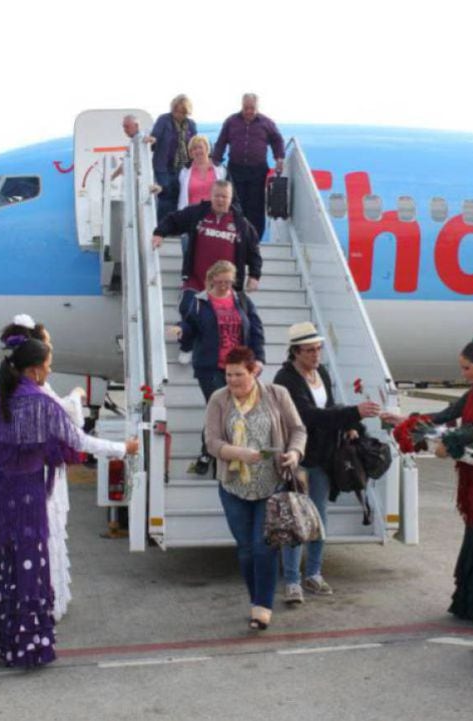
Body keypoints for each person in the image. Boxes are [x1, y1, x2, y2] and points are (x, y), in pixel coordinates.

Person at [0, 337, 139, 667]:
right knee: (28, 560)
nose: (50, 369)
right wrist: (123, 448)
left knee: (0, 556)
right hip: (27, 492)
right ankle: (25, 646)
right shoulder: (40, 403)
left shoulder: (4, 394)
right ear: (33, 370)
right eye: (47, 365)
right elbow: (78, 440)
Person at [384, 334, 473, 625]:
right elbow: (447, 414)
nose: (464, 373)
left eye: (467, 367)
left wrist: (453, 438)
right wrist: (407, 420)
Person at [272, 322, 381, 604]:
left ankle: (314, 573)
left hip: (322, 456)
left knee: (319, 516)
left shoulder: (322, 372)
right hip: (296, 457)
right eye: (309, 350)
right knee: (296, 519)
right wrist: (353, 412)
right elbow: (308, 416)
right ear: (295, 352)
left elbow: (330, 406)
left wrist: (350, 424)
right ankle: (293, 580)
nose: (316, 355)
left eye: (318, 348)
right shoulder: (285, 379)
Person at [204, 346, 306, 630]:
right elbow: (211, 442)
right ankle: (256, 599)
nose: (232, 380)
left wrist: (295, 454)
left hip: (270, 484)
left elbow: (298, 430)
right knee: (246, 550)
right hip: (233, 486)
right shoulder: (218, 399)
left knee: (264, 548)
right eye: (228, 374)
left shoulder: (276, 395)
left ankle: (262, 607)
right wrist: (237, 452)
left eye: (239, 374)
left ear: (253, 372)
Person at [0, 314, 85, 622]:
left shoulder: (11, 390)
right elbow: (70, 423)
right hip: (40, 477)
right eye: (48, 343)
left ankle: (38, 600)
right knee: (44, 536)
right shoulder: (36, 393)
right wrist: (76, 395)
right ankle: (43, 602)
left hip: (22, 478)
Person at [176, 260, 265, 475]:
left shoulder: (241, 300)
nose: (225, 285)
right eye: (221, 281)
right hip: (211, 366)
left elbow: (255, 329)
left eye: (229, 281)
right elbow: (190, 326)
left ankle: (214, 454)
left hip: (239, 366)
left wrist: (259, 358)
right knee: (220, 406)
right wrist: (181, 333)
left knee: (234, 409)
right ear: (212, 279)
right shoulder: (199, 301)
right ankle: (215, 454)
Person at [152, 180, 262, 319]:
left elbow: (254, 253)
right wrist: (159, 233)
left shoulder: (242, 224)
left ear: (230, 198)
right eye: (217, 196)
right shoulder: (197, 213)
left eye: (224, 197)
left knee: (222, 324)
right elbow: (173, 220)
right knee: (188, 310)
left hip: (225, 288)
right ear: (211, 196)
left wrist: (254, 276)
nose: (220, 200)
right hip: (196, 282)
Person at [211, 93, 285, 238]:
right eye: (246, 108)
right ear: (242, 106)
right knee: (235, 204)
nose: (249, 111)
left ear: (257, 107)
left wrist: (279, 159)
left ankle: (254, 237)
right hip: (235, 169)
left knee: (256, 206)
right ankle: (236, 235)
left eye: (252, 108)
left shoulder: (266, 123)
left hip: (258, 170)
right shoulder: (231, 121)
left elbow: (277, 140)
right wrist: (215, 161)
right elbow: (221, 142)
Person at [148, 94, 197, 223]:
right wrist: (152, 139)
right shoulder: (164, 120)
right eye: (175, 110)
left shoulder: (191, 125)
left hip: (183, 166)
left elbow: (194, 143)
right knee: (165, 195)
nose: (178, 114)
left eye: (181, 111)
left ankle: (175, 225)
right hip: (163, 166)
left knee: (179, 194)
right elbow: (156, 135)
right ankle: (162, 226)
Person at [178, 135, 227, 210]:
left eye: (200, 147)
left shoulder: (221, 170)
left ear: (207, 149)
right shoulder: (184, 172)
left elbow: (231, 193)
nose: (197, 151)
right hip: (192, 216)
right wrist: (161, 188)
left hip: (215, 214)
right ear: (190, 153)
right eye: (194, 149)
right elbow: (173, 189)